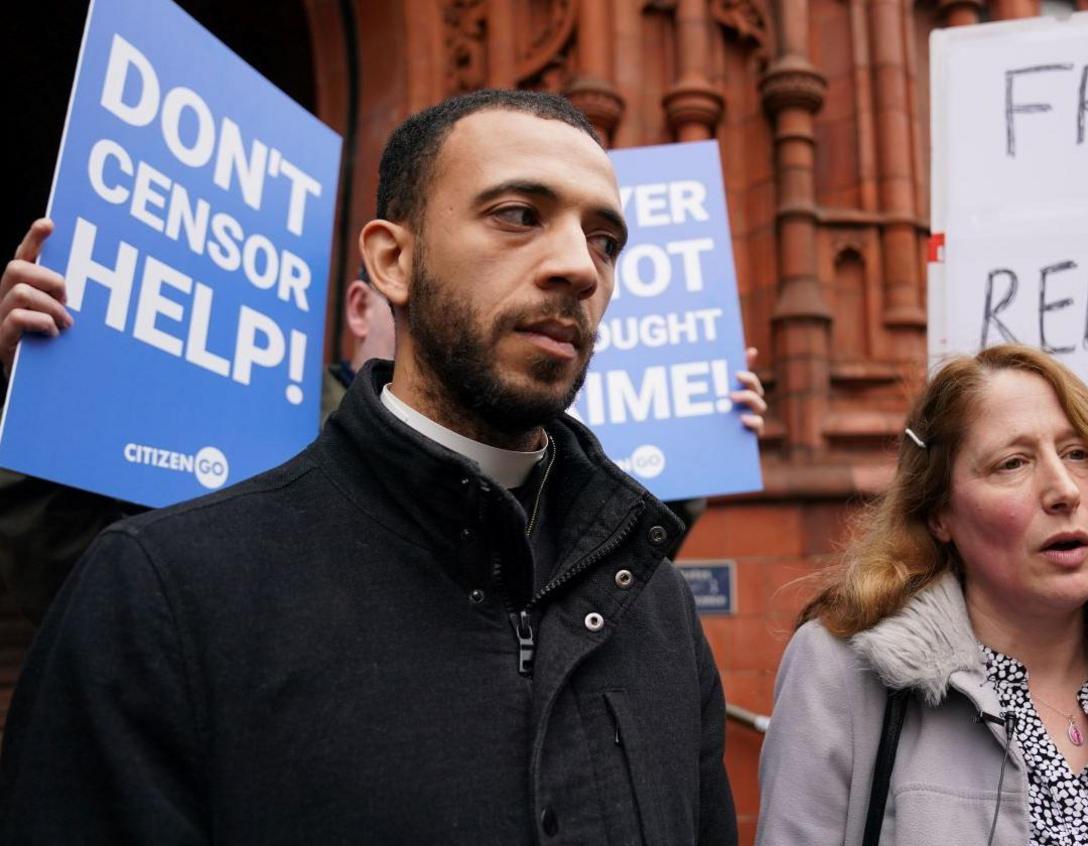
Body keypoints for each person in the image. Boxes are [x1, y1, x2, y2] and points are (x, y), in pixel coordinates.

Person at [0, 89, 739, 843]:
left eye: (606, 240)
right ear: (392, 260)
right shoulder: (162, 589)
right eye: (519, 215)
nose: (580, 267)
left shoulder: (660, 612)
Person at [0, 230, 764, 626]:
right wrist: (27, 397)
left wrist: (699, 443)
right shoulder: (252, 445)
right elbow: (68, 568)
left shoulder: (517, 453)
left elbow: (585, 574)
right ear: (369, 301)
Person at [756, 343, 1088, 845]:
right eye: (1013, 463)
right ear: (939, 513)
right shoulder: (847, 675)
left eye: (1079, 454)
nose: (1064, 490)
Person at [0, 221, 396, 624]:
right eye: (403, 296)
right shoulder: (228, 427)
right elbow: (77, 581)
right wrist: (40, 402)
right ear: (360, 308)